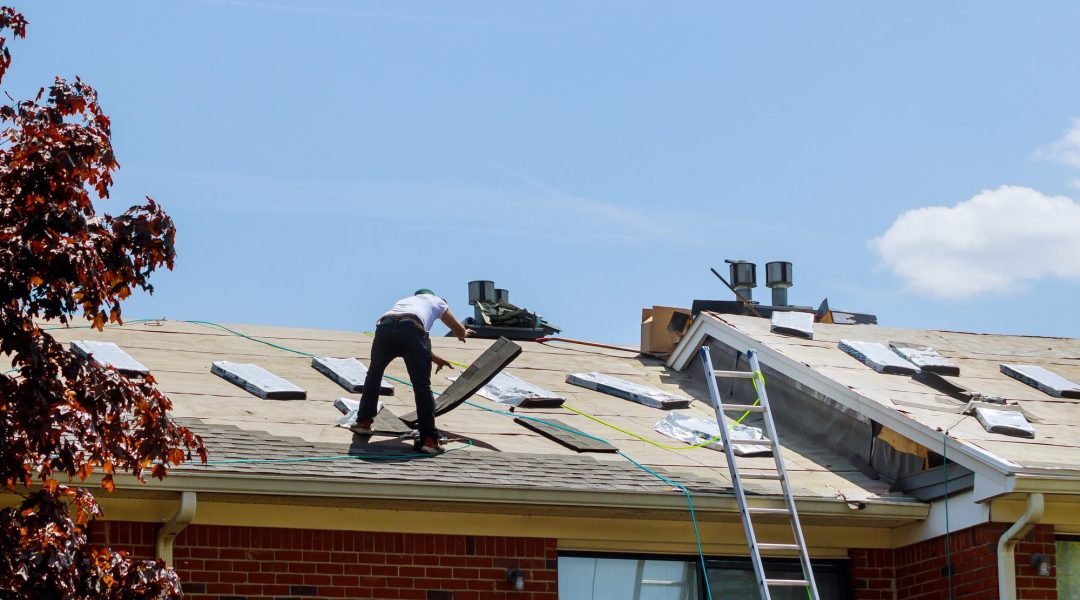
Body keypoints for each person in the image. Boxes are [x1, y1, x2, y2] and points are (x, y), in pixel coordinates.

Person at [353, 289, 474, 454]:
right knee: (422, 385)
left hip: (385, 327)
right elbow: (454, 329)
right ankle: (429, 440)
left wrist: (436, 358)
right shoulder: (438, 301)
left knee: (374, 374)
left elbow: (410, 339)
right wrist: (463, 333)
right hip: (412, 328)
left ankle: (364, 422)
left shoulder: (406, 301)